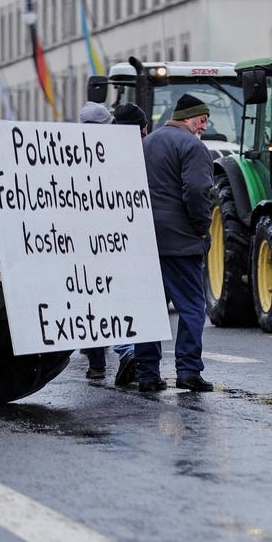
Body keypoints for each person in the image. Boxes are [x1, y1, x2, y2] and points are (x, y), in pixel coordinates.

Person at [136, 94, 214, 393]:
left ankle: (147, 374)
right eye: (202, 120)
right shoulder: (192, 146)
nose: (203, 126)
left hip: (144, 237)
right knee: (192, 305)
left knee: (150, 308)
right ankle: (188, 370)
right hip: (180, 240)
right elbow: (197, 191)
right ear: (189, 118)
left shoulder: (147, 143)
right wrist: (200, 228)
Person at [107, 103, 150, 387]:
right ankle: (140, 355)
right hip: (141, 237)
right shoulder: (151, 151)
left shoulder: (98, 153)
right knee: (140, 297)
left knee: (113, 295)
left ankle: (125, 350)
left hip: (108, 239)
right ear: (143, 128)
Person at [78, 101, 114, 379]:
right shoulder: (115, 153)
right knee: (112, 295)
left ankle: (97, 363)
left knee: (87, 297)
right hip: (111, 239)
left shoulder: (67, 152)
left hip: (78, 242)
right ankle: (125, 351)